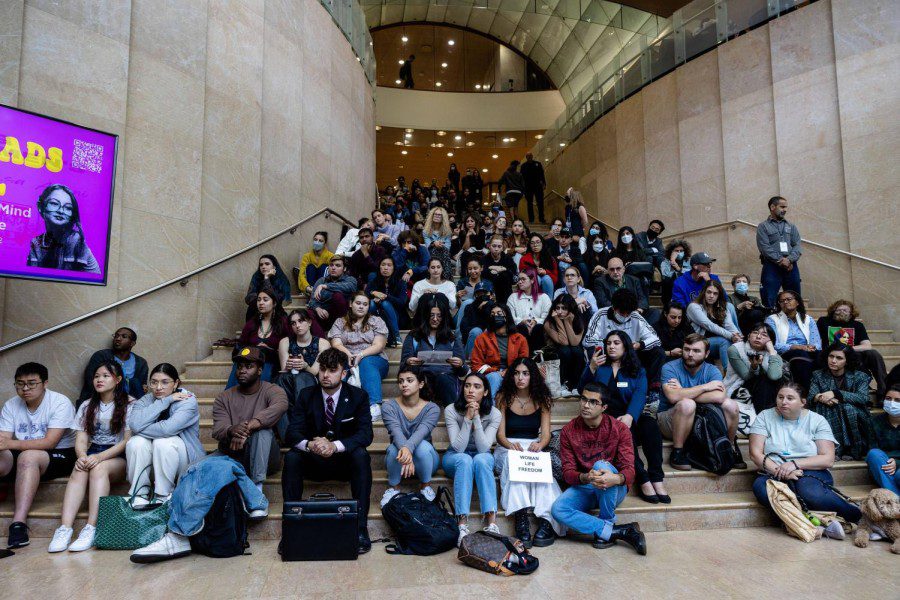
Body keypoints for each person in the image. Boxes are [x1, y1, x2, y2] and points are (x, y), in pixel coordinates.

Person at [282, 348, 374, 553]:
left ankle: (360, 529)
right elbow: (292, 433)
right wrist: (310, 445)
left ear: (344, 373)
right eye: (323, 369)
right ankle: (290, 527)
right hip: (313, 461)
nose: (325, 375)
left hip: (343, 464)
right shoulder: (306, 395)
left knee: (361, 456)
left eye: (332, 370)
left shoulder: (358, 396)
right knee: (291, 457)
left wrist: (335, 446)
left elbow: (365, 435)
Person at [550, 383, 647, 554]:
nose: (586, 405)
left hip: (614, 488)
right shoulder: (568, 431)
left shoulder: (620, 429)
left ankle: (606, 521)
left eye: (593, 402)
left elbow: (630, 470)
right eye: (584, 399)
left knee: (601, 465)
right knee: (558, 509)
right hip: (587, 485)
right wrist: (586, 477)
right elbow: (567, 472)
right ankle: (615, 531)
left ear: (604, 407)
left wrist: (616, 479)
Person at [48, 362, 132, 553]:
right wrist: (82, 456)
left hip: (118, 456)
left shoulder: (130, 403)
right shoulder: (87, 405)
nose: (99, 380)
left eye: (105, 376)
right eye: (96, 376)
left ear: (118, 380)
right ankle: (65, 529)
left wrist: (99, 457)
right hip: (93, 452)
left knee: (98, 468)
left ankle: (91, 528)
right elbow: (81, 439)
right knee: (80, 468)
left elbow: (126, 441)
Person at [749, 382, 861, 524]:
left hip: (809, 470)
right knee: (764, 492)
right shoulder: (765, 416)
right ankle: (812, 521)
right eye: (780, 397)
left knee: (809, 493)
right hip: (772, 471)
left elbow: (828, 459)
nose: (783, 402)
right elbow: (755, 453)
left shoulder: (817, 420)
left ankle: (857, 516)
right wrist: (782, 471)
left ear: (802, 402)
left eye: (790, 398)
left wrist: (794, 464)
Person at [580, 332, 668, 504]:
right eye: (609, 343)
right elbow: (582, 390)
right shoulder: (600, 367)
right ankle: (643, 479)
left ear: (626, 346)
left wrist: (630, 415)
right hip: (606, 418)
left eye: (616, 343)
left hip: (630, 413)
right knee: (625, 438)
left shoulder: (637, 370)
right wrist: (590, 367)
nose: (611, 346)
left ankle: (657, 477)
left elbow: (640, 393)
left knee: (650, 425)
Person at [1, 363, 76, 548]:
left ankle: (18, 524)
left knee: (28, 457)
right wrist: (6, 444)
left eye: (32, 383)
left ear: (45, 383)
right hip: (23, 451)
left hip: (60, 454)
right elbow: (4, 440)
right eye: (20, 384)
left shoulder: (59, 402)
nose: (25, 389)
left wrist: (9, 444)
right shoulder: (11, 404)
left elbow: (49, 442)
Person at [493, 358, 563, 547]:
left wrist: (540, 445)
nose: (520, 378)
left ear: (532, 375)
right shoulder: (503, 397)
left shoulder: (543, 398)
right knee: (513, 463)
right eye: (516, 373)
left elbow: (546, 435)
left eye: (525, 373)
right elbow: (499, 435)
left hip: (533, 445)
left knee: (543, 467)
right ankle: (521, 517)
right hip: (507, 447)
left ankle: (546, 520)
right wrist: (510, 445)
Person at [211, 347, 287, 508]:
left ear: (260, 370)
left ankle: (256, 492)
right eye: (239, 367)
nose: (242, 371)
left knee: (263, 432)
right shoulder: (224, 397)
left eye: (248, 366)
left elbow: (280, 406)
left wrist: (249, 427)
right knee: (194, 467)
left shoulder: (273, 390)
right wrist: (232, 430)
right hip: (235, 454)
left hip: (266, 459)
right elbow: (218, 429)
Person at [659, 334, 744, 471]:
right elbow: (673, 398)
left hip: (701, 421)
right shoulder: (669, 368)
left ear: (706, 354)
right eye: (687, 349)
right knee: (687, 404)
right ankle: (677, 452)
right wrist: (705, 388)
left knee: (731, 405)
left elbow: (719, 397)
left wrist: (683, 391)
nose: (690, 354)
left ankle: (729, 448)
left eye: (696, 351)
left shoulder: (712, 370)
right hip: (670, 419)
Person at [126, 364, 203, 506]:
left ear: (176, 383)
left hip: (182, 459)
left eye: (165, 382)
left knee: (163, 442)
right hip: (151, 460)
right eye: (154, 382)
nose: (158, 387)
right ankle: (140, 492)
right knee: (136, 442)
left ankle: (163, 494)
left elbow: (167, 430)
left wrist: (138, 428)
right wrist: (166, 400)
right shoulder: (146, 400)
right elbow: (134, 425)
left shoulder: (187, 400)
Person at [444, 372, 502, 544]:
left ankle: (491, 522)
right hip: (454, 457)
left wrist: (476, 418)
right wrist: (467, 419)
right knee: (465, 459)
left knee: (482, 459)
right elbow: (458, 447)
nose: (470, 390)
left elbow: (484, 448)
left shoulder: (494, 414)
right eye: (467, 385)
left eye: (477, 387)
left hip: (480, 457)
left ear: (485, 392)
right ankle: (461, 524)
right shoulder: (451, 410)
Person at [381, 366, 442, 504]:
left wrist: (407, 449)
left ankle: (425, 487)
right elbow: (395, 431)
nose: (404, 384)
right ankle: (394, 489)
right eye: (401, 381)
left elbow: (421, 432)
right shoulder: (388, 406)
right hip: (398, 460)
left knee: (423, 446)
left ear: (420, 384)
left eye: (409, 380)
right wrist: (407, 455)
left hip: (426, 461)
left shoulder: (432, 408)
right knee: (393, 448)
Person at [583, 289, 666, 388]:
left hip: (631, 355)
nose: (626, 316)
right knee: (593, 350)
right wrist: (611, 344)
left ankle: (653, 389)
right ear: (614, 307)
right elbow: (588, 340)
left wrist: (640, 344)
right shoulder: (601, 315)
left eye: (629, 313)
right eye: (622, 312)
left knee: (658, 351)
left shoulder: (636, 316)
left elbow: (655, 339)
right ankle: (598, 385)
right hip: (609, 354)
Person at [329, 291, 389, 420]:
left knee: (366, 362)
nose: (361, 307)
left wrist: (360, 355)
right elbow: (336, 343)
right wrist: (350, 355)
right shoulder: (340, 322)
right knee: (338, 367)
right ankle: (338, 408)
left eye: (365, 304)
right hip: (347, 359)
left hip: (375, 361)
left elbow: (379, 345)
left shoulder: (376, 321)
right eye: (358, 303)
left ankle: (374, 405)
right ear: (351, 304)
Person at [809, 342, 873, 460]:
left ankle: (851, 449)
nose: (833, 361)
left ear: (847, 361)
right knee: (826, 407)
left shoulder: (860, 376)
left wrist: (836, 393)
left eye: (839, 358)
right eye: (831, 356)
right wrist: (821, 398)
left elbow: (863, 398)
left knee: (846, 408)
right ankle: (835, 449)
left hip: (854, 413)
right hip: (827, 410)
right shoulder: (818, 375)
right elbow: (810, 397)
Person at [402, 294, 468, 407]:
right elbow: (402, 366)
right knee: (422, 380)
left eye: (439, 316)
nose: (435, 319)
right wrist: (408, 362)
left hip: (446, 380)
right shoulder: (414, 336)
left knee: (443, 378)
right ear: (426, 316)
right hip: (423, 380)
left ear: (444, 318)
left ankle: (455, 412)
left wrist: (460, 364)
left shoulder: (451, 338)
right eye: (431, 315)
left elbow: (464, 371)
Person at [817, 299, 888, 397]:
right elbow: (817, 341)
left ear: (851, 313)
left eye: (845, 310)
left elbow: (867, 346)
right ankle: (861, 387)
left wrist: (848, 350)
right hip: (831, 355)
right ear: (833, 311)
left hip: (853, 354)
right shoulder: (823, 321)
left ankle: (884, 391)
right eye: (838, 310)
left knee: (873, 354)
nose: (841, 312)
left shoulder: (857, 325)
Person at [227, 285, 291, 388]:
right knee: (239, 366)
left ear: (274, 303)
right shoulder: (251, 324)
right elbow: (239, 347)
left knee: (263, 367)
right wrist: (255, 350)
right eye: (259, 300)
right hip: (249, 363)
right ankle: (231, 399)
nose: (261, 303)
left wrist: (268, 350)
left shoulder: (283, 323)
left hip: (271, 364)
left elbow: (291, 347)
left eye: (265, 300)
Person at [26, 184, 100, 273]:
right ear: (40, 207)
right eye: (54, 203)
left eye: (68, 208)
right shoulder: (36, 243)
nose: (61, 211)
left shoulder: (77, 243)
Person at [277, 309, 329, 420]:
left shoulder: (323, 343)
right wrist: (289, 365)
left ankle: (300, 418)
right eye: (293, 323)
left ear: (309, 322)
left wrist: (305, 366)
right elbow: (284, 370)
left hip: (311, 381)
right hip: (289, 381)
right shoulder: (285, 342)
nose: (297, 326)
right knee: (281, 379)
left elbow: (315, 372)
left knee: (302, 377)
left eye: (301, 321)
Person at [766, 290, 821, 390]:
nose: (785, 302)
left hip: (807, 351)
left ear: (797, 302)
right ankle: (803, 393)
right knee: (800, 355)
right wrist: (797, 347)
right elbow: (773, 344)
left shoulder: (808, 319)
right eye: (782, 301)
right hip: (786, 352)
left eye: (788, 299)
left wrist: (811, 347)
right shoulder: (772, 319)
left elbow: (816, 342)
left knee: (822, 355)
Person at [471, 303, 529, 398]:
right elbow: (476, 365)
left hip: (514, 373)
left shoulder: (520, 338)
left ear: (507, 316)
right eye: (492, 314)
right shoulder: (482, 338)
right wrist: (496, 372)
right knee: (495, 377)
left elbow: (524, 362)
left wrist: (509, 371)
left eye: (499, 313)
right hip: (490, 374)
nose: (495, 316)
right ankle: (491, 410)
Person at [724, 322, 784, 413]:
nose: (758, 337)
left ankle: (765, 416)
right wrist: (754, 367)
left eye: (764, 335)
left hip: (765, 389)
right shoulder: (735, 349)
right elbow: (745, 376)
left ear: (770, 341)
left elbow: (774, 376)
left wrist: (771, 351)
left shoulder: (774, 355)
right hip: (739, 386)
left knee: (769, 380)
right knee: (764, 380)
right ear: (748, 336)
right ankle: (764, 416)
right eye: (755, 332)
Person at [79, 326, 148, 405]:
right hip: (99, 400)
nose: (118, 338)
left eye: (124, 336)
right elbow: (90, 380)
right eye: (116, 335)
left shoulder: (141, 363)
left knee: (135, 382)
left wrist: (143, 388)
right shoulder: (101, 356)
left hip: (128, 403)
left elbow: (141, 386)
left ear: (132, 343)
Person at [757, 196, 802, 308]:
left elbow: (797, 245)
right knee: (769, 299)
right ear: (772, 207)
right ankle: (770, 323)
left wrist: (789, 260)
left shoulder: (791, 226)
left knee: (795, 298)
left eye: (786, 207)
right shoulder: (763, 226)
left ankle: (796, 321)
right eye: (782, 207)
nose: (785, 210)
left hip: (791, 266)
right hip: (772, 266)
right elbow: (764, 247)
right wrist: (780, 260)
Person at [686, 279, 743, 368]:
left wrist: (738, 337)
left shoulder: (722, 307)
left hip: (716, 345)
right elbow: (709, 325)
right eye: (709, 292)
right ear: (703, 292)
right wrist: (731, 336)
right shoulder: (694, 307)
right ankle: (727, 373)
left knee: (733, 342)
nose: (711, 296)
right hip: (699, 342)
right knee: (724, 341)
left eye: (715, 293)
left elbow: (729, 325)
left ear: (718, 295)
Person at [543, 294, 586, 393]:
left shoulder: (578, 319)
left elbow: (574, 342)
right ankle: (562, 384)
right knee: (565, 351)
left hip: (571, 349)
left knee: (577, 351)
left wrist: (567, 321)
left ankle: (575, 385)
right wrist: (558, 320)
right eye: (557, 308)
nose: (560, 312)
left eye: (564, 308)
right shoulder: (549, 322)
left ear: (571, 309)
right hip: (553, 350)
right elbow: (563, 342)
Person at [308, 255, 358, 337]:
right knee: (308, 312)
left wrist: (326, 286)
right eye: (331, 265)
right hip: (324, 316)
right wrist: (318, 309)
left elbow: (350, 288)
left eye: (337, 265)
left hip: (341, 317)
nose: (333, 268)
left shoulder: (350, 280)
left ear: (344, 269)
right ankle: (322, 340)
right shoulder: (321, 281)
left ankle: (342, 332)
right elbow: (312, 301)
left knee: (337, 296)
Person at [506, 269, 551, 353]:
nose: (519, 282)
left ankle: (537, 357)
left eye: (523, 279)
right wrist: (522, 321)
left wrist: (535, 321)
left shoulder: (544, 297)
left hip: (539, 331)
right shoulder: (513, 297)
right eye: (519, 279)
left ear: (532, 280)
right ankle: (523, 356)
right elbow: (510, 316)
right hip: (520, 330)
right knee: (522, 328)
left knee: (538, 327)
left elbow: (547, 316)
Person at [366, 256, 406, 347]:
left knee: (385, 303)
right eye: (383, 265)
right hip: (377, 314)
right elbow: (365, 294)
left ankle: (396, 336)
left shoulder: (400, 282)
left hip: (394, 315)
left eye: (389, 265)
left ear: (393, 268)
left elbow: (402, 302)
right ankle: (372, 335)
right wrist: (374, 292)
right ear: (379, 267)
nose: (385, 268)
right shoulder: (374, 281)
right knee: (371, 303)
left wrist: (385, 297)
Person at [866, 385, 900, 494]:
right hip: (882, 465)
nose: (892, 403)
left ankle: (894, 500)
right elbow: (873, 447)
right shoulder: (875, 422)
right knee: (873, 453)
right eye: (888, 398)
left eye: (897, 400)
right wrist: (890, 462)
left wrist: (897, 462)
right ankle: (896, 498)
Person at [244, 254, 292, 320]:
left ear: (274, 267)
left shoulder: (281, 279)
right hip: (257, 309)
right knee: (252, 306)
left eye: (267, 264)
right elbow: (249, 298)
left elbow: (278, 299)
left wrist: (266, 278)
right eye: (261, 265)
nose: (263, 267)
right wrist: (261, 300)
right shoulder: (256, 276)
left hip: (275, 311)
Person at [459, 281, 495, 360]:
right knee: (476, 331)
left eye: (484, 293)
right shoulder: (469, 307)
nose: (481, 296)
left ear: (491, 295)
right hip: (472, 347)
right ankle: (473, 363)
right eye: (478, 294)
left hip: (491, 348)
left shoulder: (496, 308)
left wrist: (489, 305)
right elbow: (464, 330)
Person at [482, 234, 517, 304]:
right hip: (489, 290)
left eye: (499, 246)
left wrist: (495, 269)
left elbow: (513, 276)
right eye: (494, 246)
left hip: (505, 291)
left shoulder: (508, 259)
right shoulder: (484, 259)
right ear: (489, 246)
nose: (496, 249)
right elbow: (483, 273)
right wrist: (500, 269)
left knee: (504, 276)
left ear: (502, 248)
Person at [519, 233, 558, 297]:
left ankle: (549, 304)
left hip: (547, 286)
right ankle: (533, 302)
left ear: (542, 243)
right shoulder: (524, 259)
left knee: (546, 278)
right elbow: (522, 277)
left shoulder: (550, 259)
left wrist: (545, 272)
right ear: (529, 245)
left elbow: (555, 278)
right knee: (537, 278)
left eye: (538, 242)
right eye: (532, 243)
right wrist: (535, 272)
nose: (535, 245)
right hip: (529, 288)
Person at [298, 232, 334, 296]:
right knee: (310, 267)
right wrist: (307, 287)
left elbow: (333, 274)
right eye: (315, 239)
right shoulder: (307, 256)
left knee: (324, 267)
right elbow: (302, 274)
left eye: (320, 241)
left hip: (322, 287)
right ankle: (311, 292)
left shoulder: (330, 256)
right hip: (309, 288)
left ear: (325, 244)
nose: (317, 242)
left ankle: (319, 292)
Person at [422, 206, 453, 277]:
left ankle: (445, 276)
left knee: (444, 251)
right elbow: (428, 246)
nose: (437, 216)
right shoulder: (425, 231)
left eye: (439, 215)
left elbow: (448, 247)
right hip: (431, 253)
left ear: (443, 218)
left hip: (443, 253)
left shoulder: (448, 231)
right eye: (435, 214)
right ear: (432, 216)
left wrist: (439, 244)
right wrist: (434, 243)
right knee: (434, 249)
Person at [660, 239, 691, 307]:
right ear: (671, 252)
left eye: (681, 251)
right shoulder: (665, 262)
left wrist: (678, 268)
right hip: (669, 291)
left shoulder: (688, 261)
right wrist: (672, 261)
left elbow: (687, 277)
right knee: (668, 280)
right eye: (676, 251)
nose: (679, 252)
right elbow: (666, 278)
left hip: (684, 288)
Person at [455, 255, 485, 322]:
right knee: (468, 302)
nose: (472, 271)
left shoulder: (487, 284)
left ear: (481, 268)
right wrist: (457, 297)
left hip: (481, 313)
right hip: (463, 314)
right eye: (470, 269)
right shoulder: (462, 282)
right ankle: (459, 332)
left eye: (475, 268)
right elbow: (459, 306)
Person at [520, 153, 546, 224]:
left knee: (540, 202)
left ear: (532, 156)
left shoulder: (538, 164)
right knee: (529, 203)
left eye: (531, 156)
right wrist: (522, 188)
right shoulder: (523, 166)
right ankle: (531, 219)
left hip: (538, 186)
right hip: (528, 187)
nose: (530, 157)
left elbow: (542, 174)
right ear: (526, 157)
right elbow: (521, 178)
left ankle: (542, 218)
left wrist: (544, 183)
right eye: (528, 156)